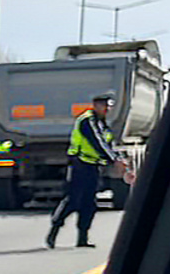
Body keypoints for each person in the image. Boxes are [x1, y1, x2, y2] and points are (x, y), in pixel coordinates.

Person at [46, 92, 123, 249]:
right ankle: (54, 230)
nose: (107, 109)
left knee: (89, 203)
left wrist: (117, 156)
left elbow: (109, 143)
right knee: (73, 200)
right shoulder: (87, 121)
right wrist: (113, 160)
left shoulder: (102, 123)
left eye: (108, 106)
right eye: (104, 106)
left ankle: (82, 238)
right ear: (95, 105)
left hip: (93, 166)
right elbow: (97, 142)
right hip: (79, 164)